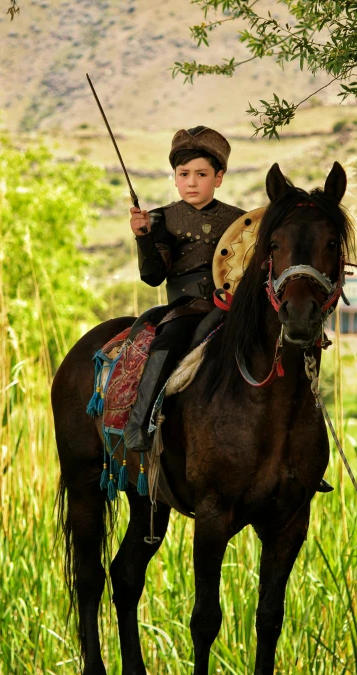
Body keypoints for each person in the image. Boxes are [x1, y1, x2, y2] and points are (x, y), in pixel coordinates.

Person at [124, 125, 245, 452]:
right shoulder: (162, 219)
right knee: (168, 341)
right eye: (184, 173)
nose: (192, 182)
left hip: (235, 309)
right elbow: (153, 277)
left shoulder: (242, 221)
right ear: (175, 178)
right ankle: (140, 422)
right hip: (186, 310)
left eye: (202, 174)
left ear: (218, 178)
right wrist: (143, 237)